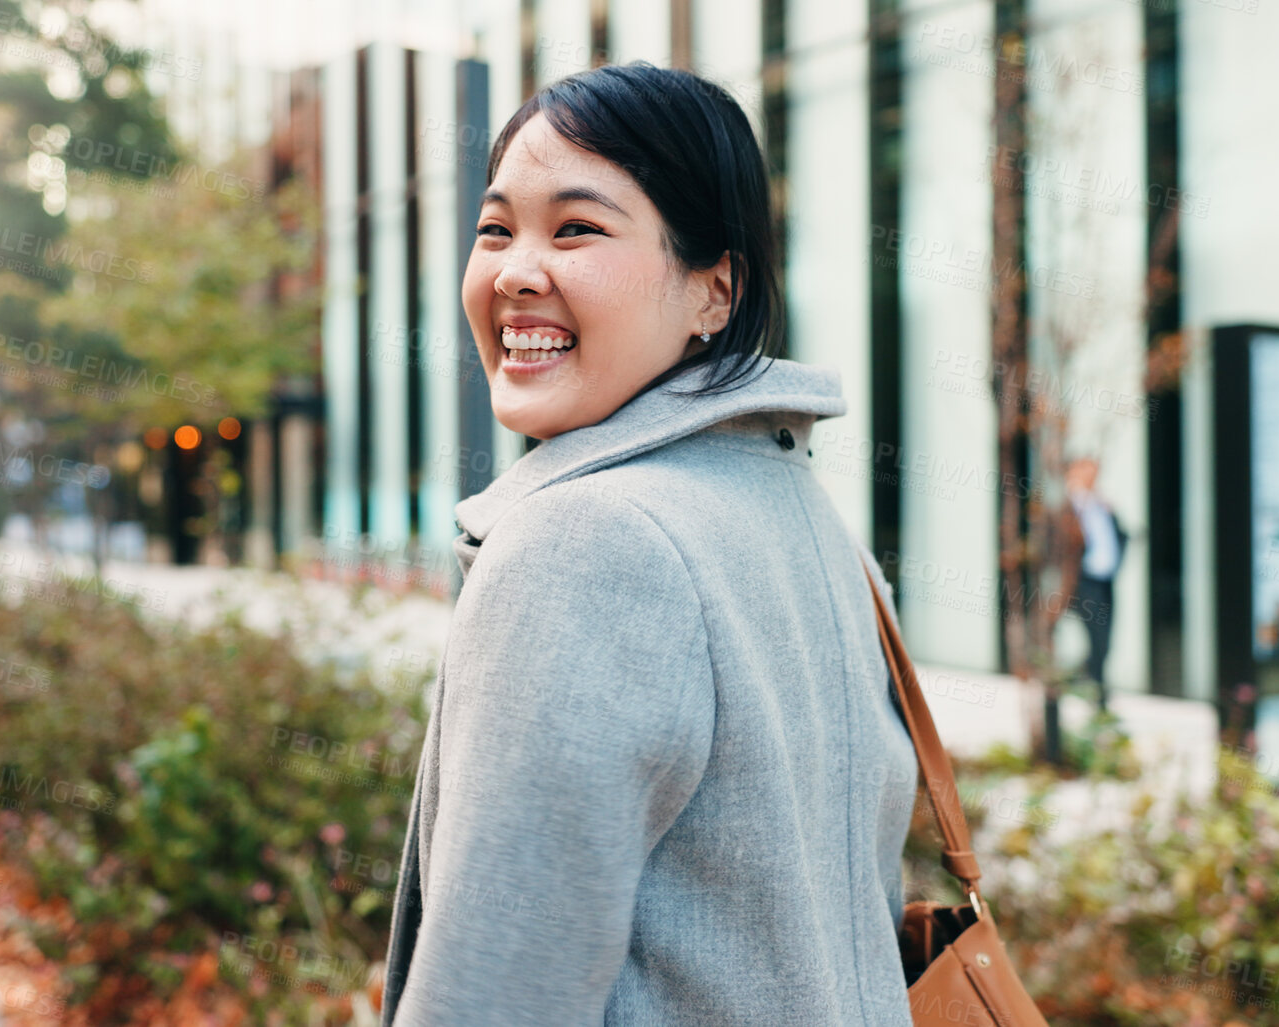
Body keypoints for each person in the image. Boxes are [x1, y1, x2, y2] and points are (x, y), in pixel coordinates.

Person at [380, 63, 919, 1026]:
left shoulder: (586, 544)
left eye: (577, 227)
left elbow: (499, 996)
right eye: (495, 227)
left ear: (716, 290)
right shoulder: (827, 543)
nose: (512, 271)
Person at [1051, 457, 1129, 710]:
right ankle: (1097, 698)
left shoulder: (1101, 506)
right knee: (1095, 637)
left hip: (1105, 582)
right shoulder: (1067, 510)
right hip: (1082, 584)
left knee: (1104, 642)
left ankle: (1087, 684)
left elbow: (1118, 537)